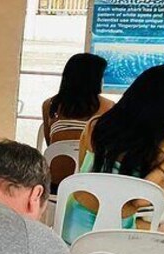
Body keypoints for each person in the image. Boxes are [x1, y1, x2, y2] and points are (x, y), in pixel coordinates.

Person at [72, 64, 164, 254]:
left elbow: (84, 176)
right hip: (118, 235)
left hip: (73, 225)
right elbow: (143, 200)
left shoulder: (95, 126)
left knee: (98, 210)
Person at [41, 53, 113, 188]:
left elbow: (50, 142)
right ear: (94, 79)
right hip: (89, 184)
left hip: (54, 182)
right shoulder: (109, 107)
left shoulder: (49, 105)